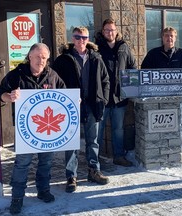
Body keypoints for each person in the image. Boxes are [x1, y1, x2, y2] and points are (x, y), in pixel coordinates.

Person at [0, 43, 66, 214]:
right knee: (22, 164)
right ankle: (17, 197)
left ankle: (43, 190)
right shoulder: (17, 75)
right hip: (26, 130)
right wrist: (10, 96)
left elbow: (64, 93)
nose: (41, 60)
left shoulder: (53, 75)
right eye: (37, 57)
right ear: (29, 57)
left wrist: (73, 101)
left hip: (48, 131)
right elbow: (0, 93)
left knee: (46, 162)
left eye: (44, 57)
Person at [53, 26, 110, 193]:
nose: (81, 40)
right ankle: (71, 176)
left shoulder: (96, 58)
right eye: (78, 37)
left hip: (93, 105)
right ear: (72, 38)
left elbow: (105, 80)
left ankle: (94, 171)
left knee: (93, 141)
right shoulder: (63, 59)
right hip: (71, 106)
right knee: (71, 142)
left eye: (84, 37)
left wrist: (103, 99)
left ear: (88, 39)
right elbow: (55, 81)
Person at [95, 18, 136, 167]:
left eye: (112, 30)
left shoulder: (124, 47)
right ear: (103, 31)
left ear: (116, 31)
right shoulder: (96, 47)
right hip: (101, 97)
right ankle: (95, 159)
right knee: (98, 131)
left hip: (119, 97)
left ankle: (119, 156)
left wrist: (132, 89)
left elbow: (132, 67)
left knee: (118, 129)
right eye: (107, 30)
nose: (109, 32)